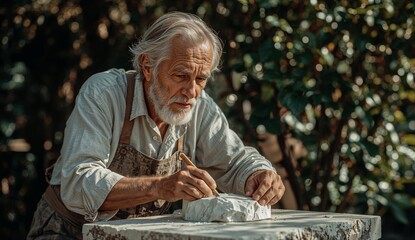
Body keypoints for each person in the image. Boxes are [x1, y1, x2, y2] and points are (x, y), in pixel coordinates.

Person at [27, 11, 285, 239]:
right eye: (181, 75)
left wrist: (259, 175)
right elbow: (78, 181)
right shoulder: (104, 94)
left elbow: (235, 161)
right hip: (68, 231)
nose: (191, 91)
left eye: (201, 78)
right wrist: (161, 186)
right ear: (147, 66)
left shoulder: (199, 106)